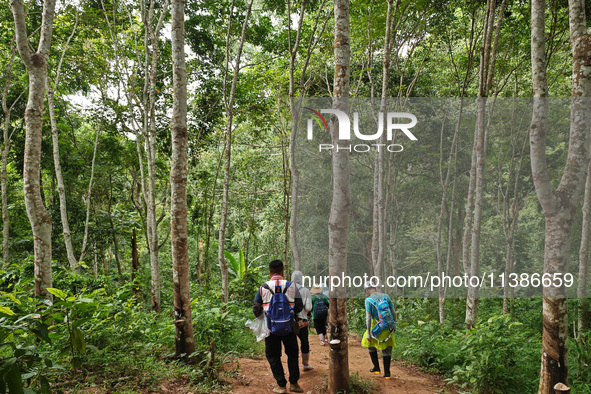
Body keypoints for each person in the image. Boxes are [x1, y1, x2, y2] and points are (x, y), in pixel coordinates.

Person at [253, 260, 304, 393]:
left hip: (270, 329)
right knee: (292, 354)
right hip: (289, 327)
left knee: (273, 355)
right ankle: (294, 384)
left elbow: (256, 310)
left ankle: (282, 386)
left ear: (270, 273)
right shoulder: (292, 285)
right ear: (283, 272)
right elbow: (299, 306)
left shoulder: (263, 287)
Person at [361, 281, 396, 379]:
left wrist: (368, 333)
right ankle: (387, 374)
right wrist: (394, 325)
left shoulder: (368, 300)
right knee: (387, 350)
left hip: (375, 326)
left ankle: (376, 368)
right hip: (387, 325)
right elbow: (393, 312)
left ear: (367, 290)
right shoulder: (386, 296)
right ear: (374, 287)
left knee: (371, 346)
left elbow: (368, 317)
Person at [291, 271, 314, 371]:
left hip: (290, 320)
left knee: (291, 344)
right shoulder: (305, 290)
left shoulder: (288, 288)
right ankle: (305, 364)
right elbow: (308, 308)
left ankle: (293, 367)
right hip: (302, 321)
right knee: (304, 342)